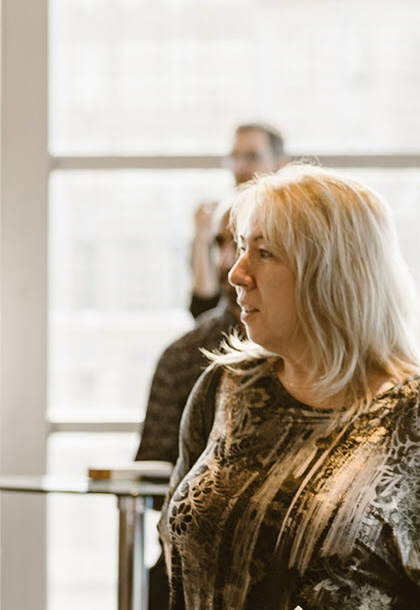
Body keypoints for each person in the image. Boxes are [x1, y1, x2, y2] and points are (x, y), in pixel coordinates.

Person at [160, 164, 420, 609]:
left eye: (264, 253)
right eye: (240, 248)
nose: (237, 273)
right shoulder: (224, 387)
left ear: (329, 273)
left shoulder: (414, 414)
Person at [137, 200, 241, 610]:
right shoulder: (183, 357)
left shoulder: (327, 362)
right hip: (193, 567)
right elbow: (153, 465)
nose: (231, 263)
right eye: (223, 244)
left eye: (252, 247)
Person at [189, 122, 288, 318]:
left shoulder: (297, 223)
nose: (240, 167)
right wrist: (202, 237)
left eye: (252, 157)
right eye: (235, 157)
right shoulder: (220, 220)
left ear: (280, 163)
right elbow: (203, 307)